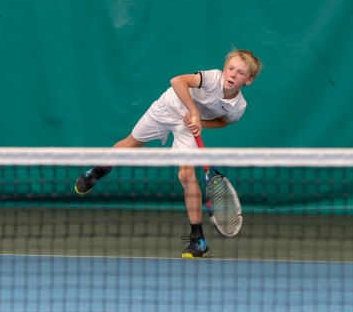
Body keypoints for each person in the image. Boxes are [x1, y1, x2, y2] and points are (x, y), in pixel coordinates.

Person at [74, 49, 262, 259]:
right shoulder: (211, 78)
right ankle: (98, 170)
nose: (233, 74)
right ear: (224, 69)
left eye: (241, 73)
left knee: (186, 174)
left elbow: (222, 122)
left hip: (188, 125)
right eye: (231, 68)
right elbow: (177, 81)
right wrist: (195, 112)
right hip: (167, 107)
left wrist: (200, 123)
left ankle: (198, 240)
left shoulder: (238, 107)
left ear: (249, 80)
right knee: (131, 143)